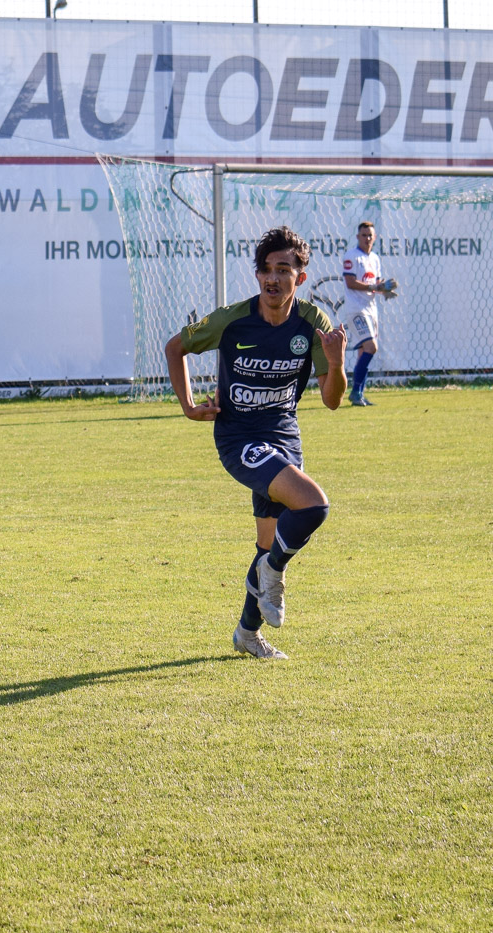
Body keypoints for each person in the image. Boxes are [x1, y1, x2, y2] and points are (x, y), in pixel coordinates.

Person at [164, 226, 348, 661]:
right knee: (314, 506)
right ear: (257, 276)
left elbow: (332, 400)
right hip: (239, 438)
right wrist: (188, 406)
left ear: (300, 277)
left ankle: (247, 634)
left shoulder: (313, 324)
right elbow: (175, 348)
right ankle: (273, 571)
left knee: (269, 544)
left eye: (283, 269)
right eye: (266, 269)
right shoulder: (232, 320)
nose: (273, 278)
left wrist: (337, 361)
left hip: (284, 438)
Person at [341, 220, 396, 406]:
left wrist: (385, 290)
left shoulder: (375, 258)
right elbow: (350, 282)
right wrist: (375, 287)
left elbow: (376, 284)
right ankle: (355, 392)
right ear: (358, 237)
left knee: (363, 352)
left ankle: (359, 394)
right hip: (357, 310)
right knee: (371, 347)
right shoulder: (352, 256)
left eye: (370, 235)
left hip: (371, 310)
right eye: (364, 235)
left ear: (375, 237)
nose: (367, 238)